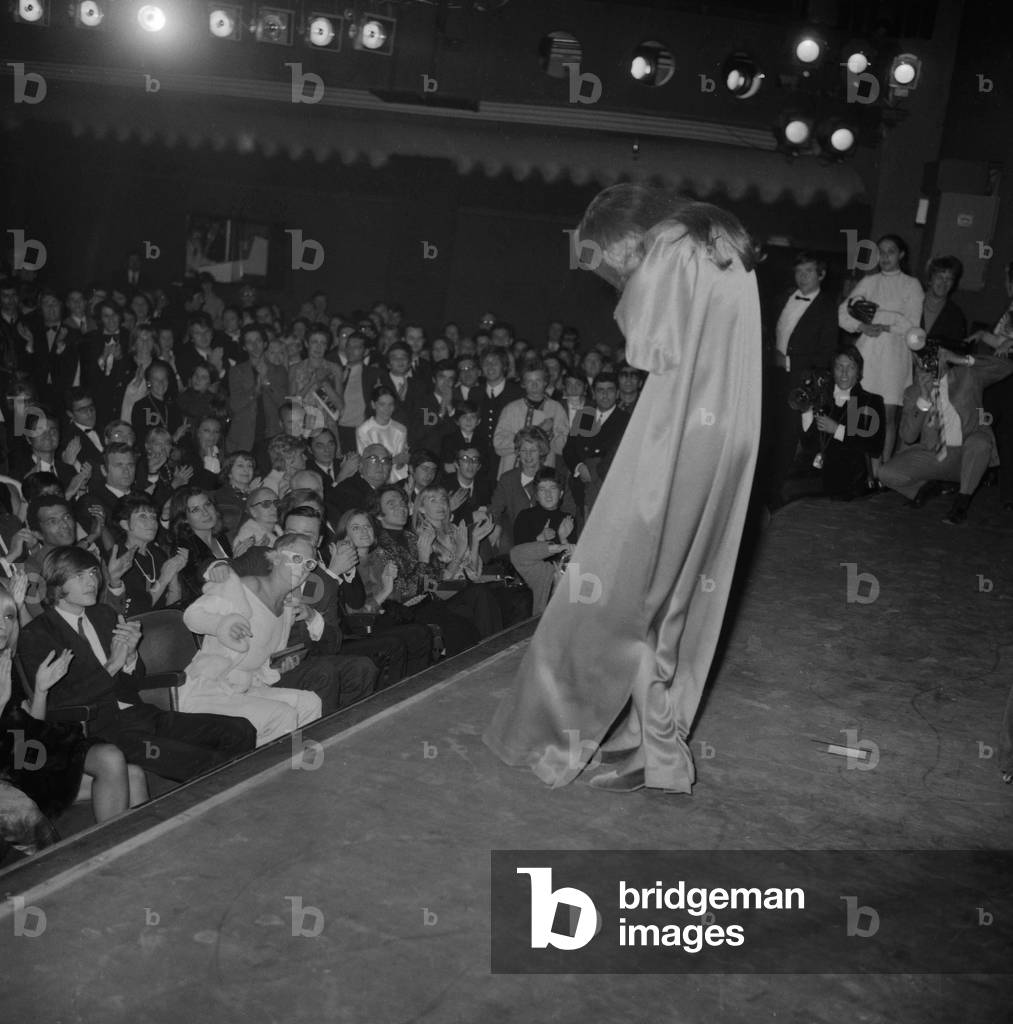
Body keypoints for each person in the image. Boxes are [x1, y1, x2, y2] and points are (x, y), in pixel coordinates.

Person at [484, 184, 761, 793]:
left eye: (610, 258)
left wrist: (633, 283)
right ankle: (650, 744)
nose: (615, 273)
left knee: (621, 596)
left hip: (678, 437)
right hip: (726, 437)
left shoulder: (670, 245)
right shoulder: (720, 242)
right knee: (669, 598)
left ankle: (645, 748)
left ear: (627, 236)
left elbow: (644, 345)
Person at [0, 578, 149, 833]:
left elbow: (30, 735)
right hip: (8, 775)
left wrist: (41, 691)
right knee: (111, 757)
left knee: (134, 775)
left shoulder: (8, 661)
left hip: (26, 758)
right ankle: (114, 850)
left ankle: (139, 857)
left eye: (8, 616)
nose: (2, 625)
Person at [178, 535, 326, 746]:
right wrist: (222, 625)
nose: (302, 567)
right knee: (282, 714)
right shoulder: (244, 587)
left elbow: (262, 663)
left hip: (246, 689)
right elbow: (192, 616)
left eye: (309, 563)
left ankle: (295, 767)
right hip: (210, 689)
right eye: (296, 558)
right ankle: (262, 771)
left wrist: (279, 666)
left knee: (310, 703)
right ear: (275, 558)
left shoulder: (285, 609)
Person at [877, 346, 1013, 524]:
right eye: (922, 363)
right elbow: (908, 436)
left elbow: (1007, 367)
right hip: (934, 455)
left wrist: (962, 359)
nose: (928, 366)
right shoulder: (913, 392)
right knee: (886, 473)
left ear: (944, 358)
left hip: (967, 452)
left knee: (980, 443)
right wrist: (924, 399)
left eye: (933, 360)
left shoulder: (967, 376)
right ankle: (931, 488)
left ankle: (961, 504)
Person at [837, 234, 924, 473]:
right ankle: (856, 467)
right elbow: (843, 314)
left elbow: (913, 326)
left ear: (901, 255)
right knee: (859, 411)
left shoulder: (911, 284)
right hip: (867, 352)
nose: (885, 257)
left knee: (887, 416)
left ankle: (881, 471)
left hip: (894, 356)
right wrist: (862, 326)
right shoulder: (869, 281)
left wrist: (880, 318)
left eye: (891, 251)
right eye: (881, 252)